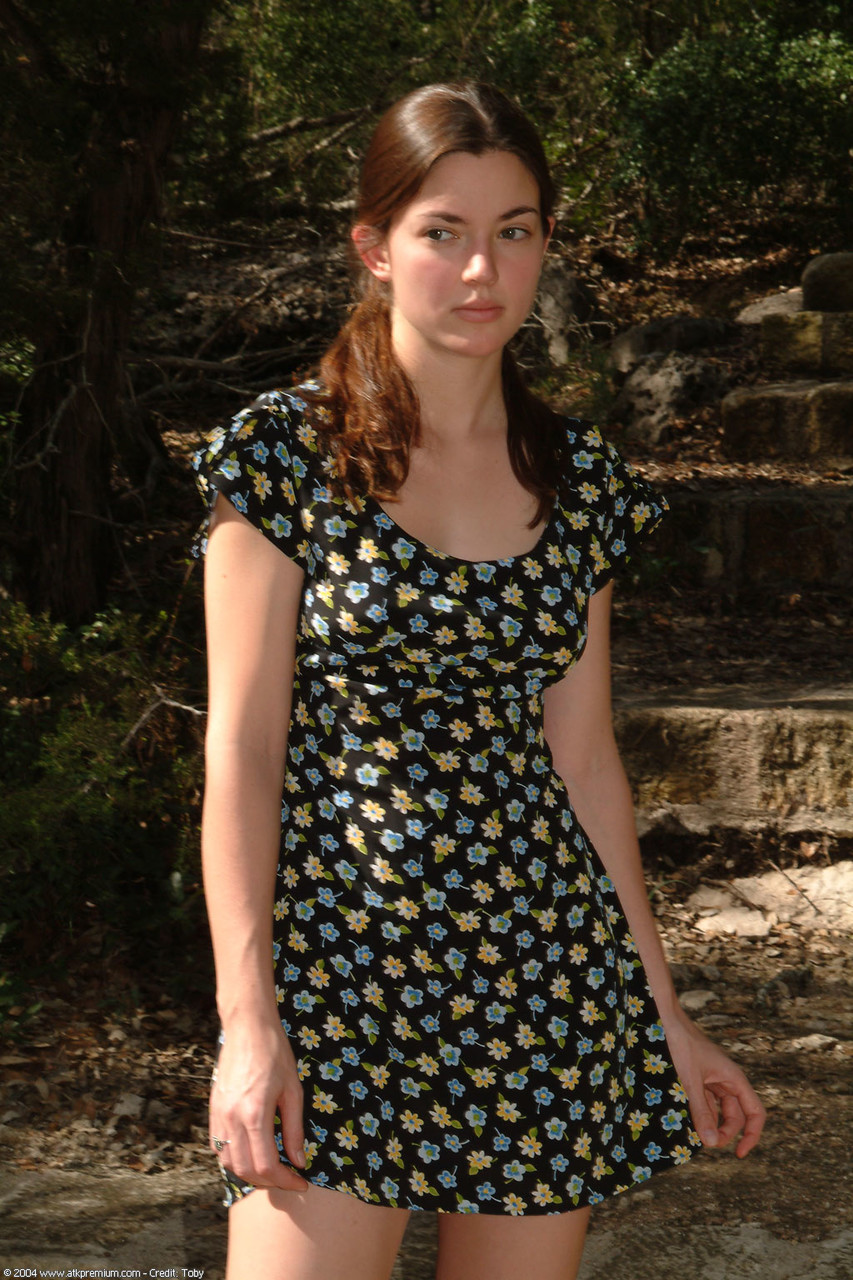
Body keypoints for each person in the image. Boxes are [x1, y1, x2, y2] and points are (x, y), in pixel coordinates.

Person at [193, 81, 765, 1280]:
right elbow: (240, 751)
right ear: (375, 247)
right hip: (336, 979)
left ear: (545, 244)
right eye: (442, 231)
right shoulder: (285, 456)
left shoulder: (578, 480)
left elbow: (584, 761)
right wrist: (249, 1024)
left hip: (545, 983)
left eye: (513, 230)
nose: (479, 270)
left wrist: (661, 1011)